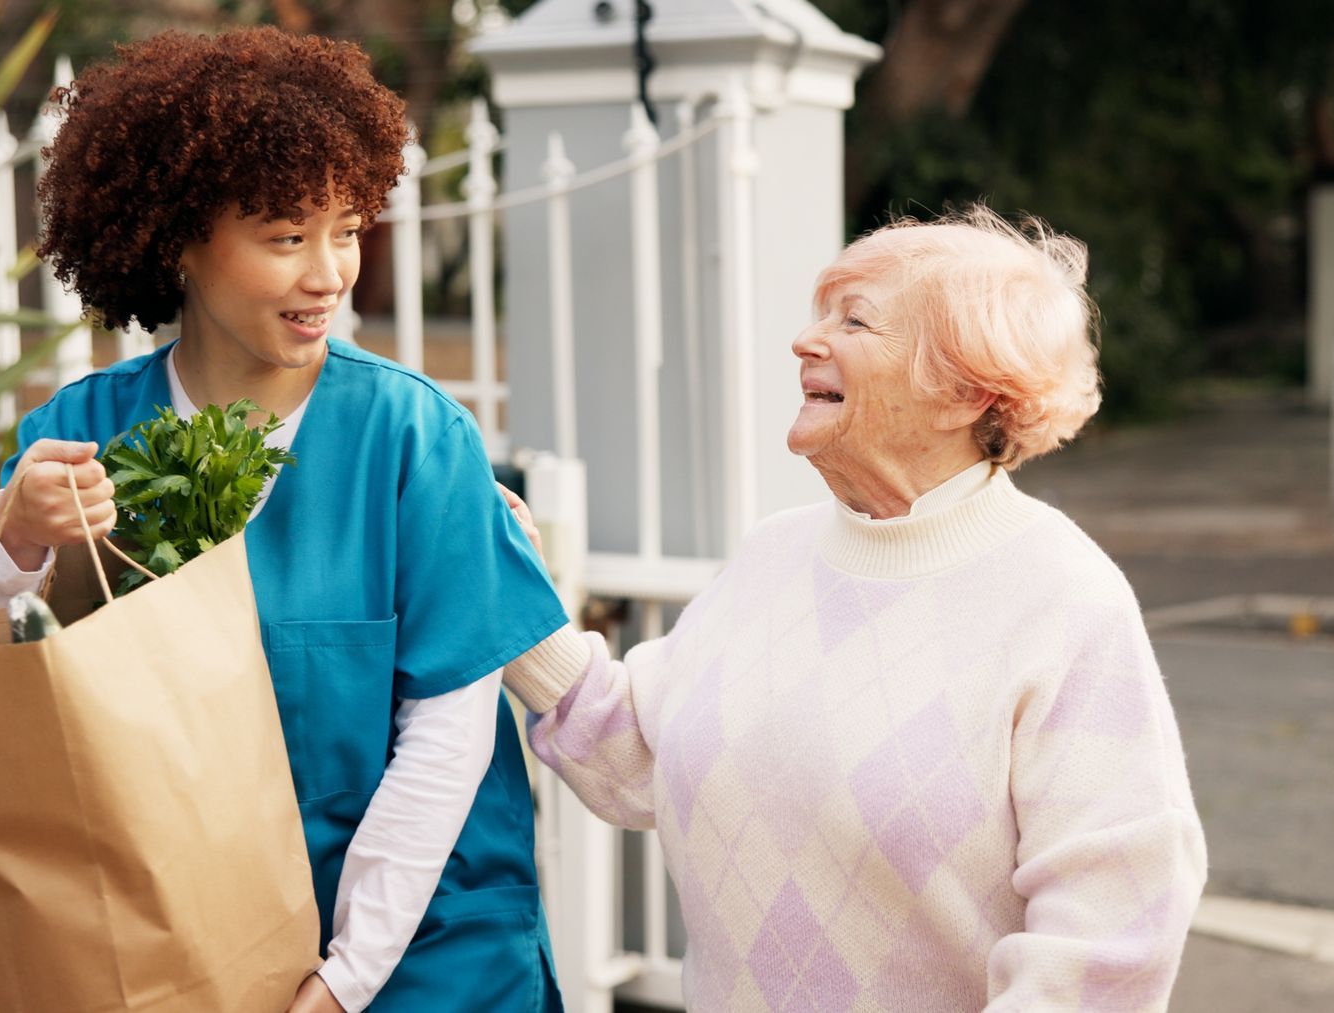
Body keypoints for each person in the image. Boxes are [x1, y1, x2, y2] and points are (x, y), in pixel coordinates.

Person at [0, 28, 569, 1012]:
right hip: (179, 946)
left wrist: (343, 980)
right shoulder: (79, 433)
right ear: (180, 237)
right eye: (287, 236)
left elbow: (448, 739)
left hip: (423, 956)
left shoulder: (413, 437)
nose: (329, 272)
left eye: (349, 228)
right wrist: (16, 535)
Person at [499, 207, 1208, 1011]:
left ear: (964, 390)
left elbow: (1112, 935)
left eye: (856, 320)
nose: (807, 340)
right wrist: (500, 582)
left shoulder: (1063, 597)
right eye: (821, 312)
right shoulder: (774, 555)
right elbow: (634, 757)